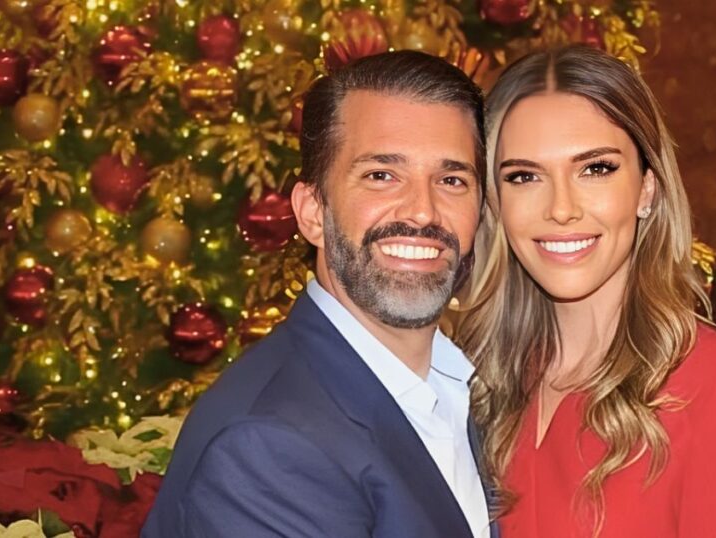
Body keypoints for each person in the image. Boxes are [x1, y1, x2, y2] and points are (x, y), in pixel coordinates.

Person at [453, 46, 716, 537]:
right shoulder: (476, 383)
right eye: (525, 176)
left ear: (647, 188)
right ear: (495, 201)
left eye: (595, 168)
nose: (561, 208)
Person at [143, 51, 494, 538]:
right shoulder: (269, 447)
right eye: (381, 175)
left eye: (452, 179)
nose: (422, 211)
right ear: (312, 213)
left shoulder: (453, 386)